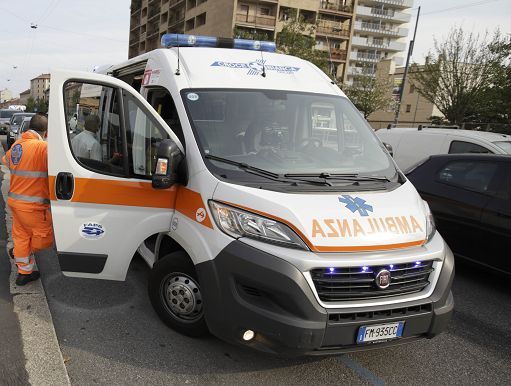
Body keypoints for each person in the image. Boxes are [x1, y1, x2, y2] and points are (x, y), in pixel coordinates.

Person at [2, 114, 53, 286]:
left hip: (15, 202)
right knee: (44, 237)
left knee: (22, 236)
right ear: (45, 132)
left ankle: (24, 272)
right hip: (33, 205)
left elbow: (7, 162)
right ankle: (18, 254)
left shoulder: (17, 145)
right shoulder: (43, 147)